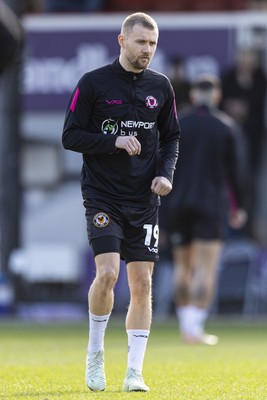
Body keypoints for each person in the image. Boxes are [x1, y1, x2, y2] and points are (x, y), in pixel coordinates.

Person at [62, 12, 180, 392]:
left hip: (144, 199)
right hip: (102, 195)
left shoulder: (161, 87)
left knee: (143, 283)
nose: (147, 50)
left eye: (153, 43)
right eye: (141, 42)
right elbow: (70, 136)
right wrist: (111, 141)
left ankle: (134, 372)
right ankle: (95, 354)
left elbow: (172, 138)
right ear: (122, 41)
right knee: (109, 273)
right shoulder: (93, 83)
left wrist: (165, 174)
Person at [167, 74, 247, 345]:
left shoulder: (178, 123)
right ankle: (195, 327)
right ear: (216, 96)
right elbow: (235, 174)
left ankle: (184, 326)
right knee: (205, 268)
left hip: (177, 203)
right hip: (210, 204)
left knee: (181, 267)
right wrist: (239, 207)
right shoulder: (225, 127)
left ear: (191, 96)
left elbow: (163, 162)